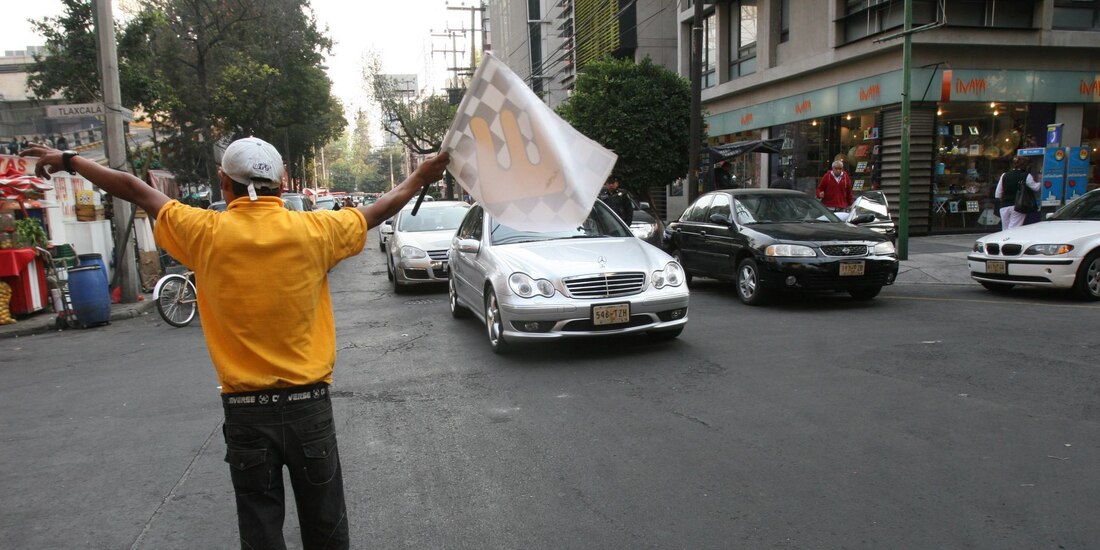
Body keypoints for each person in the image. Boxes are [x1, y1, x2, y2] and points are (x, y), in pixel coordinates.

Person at [22, 137, 449, 549]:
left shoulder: (203, 231)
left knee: (260, 531)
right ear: (281, 186)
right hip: (309, 407)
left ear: (223, 183)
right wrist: (420, 175)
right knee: (326, 525)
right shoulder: (316, 230)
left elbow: (135, 189)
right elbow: (377, 211)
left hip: (245, 415)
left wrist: (70, 160)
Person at [994, 155, 1040, 230]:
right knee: (1014, 229)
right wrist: (1040, 181)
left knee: (1005, 230)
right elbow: (1036, 187)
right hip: (1018, 206)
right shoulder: (1026, 175)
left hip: (1004, 207)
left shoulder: (1004, 175)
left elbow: (998, 194)